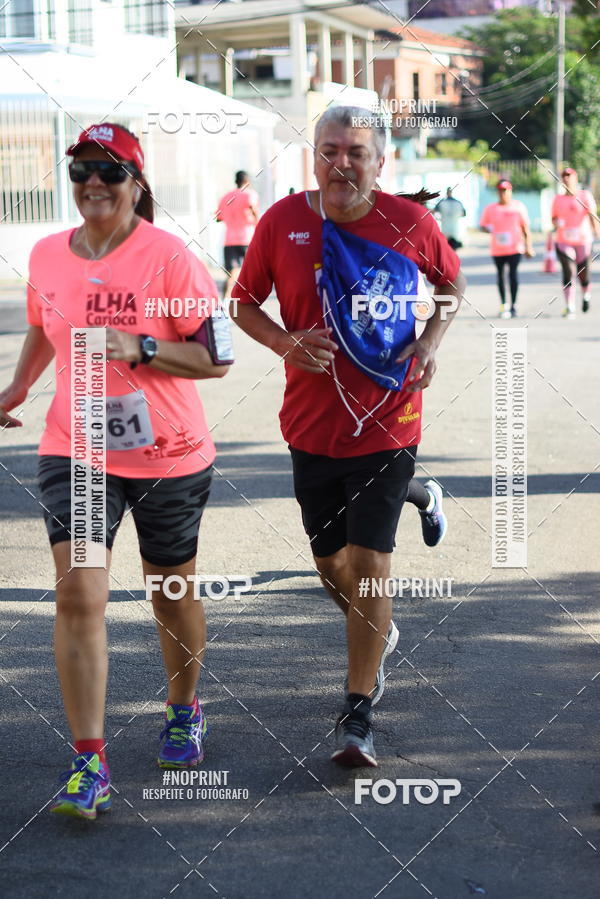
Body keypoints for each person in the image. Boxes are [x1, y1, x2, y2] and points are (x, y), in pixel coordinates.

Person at [0, 123, 231, 820]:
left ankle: (184, 707)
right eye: (80, 171)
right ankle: (89, 760)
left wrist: (140, 345)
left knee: (168, 592)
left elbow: (215, 357)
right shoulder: (44, 254)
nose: (92, 183)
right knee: (79, 594)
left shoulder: (170, 259)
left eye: (107, 169)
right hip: (78, 446)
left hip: (168, 452)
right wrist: (13, 391)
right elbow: (46, 324)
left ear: (136, 181)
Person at [230, 106, 465, 768]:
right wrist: (284, 341)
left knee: (368, 566)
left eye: (357, 152)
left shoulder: (412, 222)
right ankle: (417, 507)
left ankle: (357, 708)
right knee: (331, 563)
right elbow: (242, 301)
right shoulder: (282, 222)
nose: (342, 162)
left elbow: (451, 283)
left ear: (380, 161)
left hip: (391, 416)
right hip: (312, 425)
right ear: (314, 157)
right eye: (330, 149)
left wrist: (428, 340)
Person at [480, 180, 534, 319]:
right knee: (500, 275)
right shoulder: (491, 209)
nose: (503, 193)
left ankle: (513, 305)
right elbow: (483, 225)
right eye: (500, 190)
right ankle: (504, 304)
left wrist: (528, 246)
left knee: (513, 275)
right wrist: (488, 228)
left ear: (510, 191)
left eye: (505, 190)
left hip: (515, 247)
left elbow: (525, 228)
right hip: (497, 248)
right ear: (497, 192)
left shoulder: (518, 207)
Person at [551, 167, 600, 318]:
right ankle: (569, 306)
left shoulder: (585, 196)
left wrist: (597, 232)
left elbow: (592, 215)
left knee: (583, 274)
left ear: (575, 178)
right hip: (564, 240)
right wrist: (556, 222)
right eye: (564, 176)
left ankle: (586, 295)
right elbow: (553, 218)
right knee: (569, 271)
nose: (566, 178)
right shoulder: (557, 199)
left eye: (569, 176)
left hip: (583, 240)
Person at [216, 170, 259, 299]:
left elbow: (218, 218)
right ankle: (251, 302)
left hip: (229, 241)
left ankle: (225, 303)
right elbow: (254, 211)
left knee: (231, 274)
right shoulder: (250, 194)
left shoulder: (226, 197)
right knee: (251, 273)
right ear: (247, 181)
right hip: (247, 239)